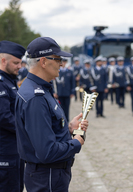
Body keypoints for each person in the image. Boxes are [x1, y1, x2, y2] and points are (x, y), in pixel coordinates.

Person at [15, 37, 88, 192]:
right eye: (57, 59)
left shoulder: (41, 89)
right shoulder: (36, 98)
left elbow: (44, 131)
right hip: (47, 176)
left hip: (51, 175)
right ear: (43, 62)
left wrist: (68, 128)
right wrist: (76, 142)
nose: (61, 63)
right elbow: (46, 152)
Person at [0, 41, 26, 192]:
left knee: (17, 187)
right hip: (4, 151)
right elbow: (2, 117)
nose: (19, 66)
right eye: (16, 63)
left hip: (14, 148)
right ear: (3, 61)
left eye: (20, 62)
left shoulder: (10, 81)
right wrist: (26, 128)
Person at [54, 57, 75, 121]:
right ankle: (61, 119)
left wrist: (72, 92)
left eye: (64, 62)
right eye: (61, 62)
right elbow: (54, 83)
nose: (63, 63)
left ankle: (67, 119)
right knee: (60, 107)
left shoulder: (70, 72)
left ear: (66, 63)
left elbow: (73, 83)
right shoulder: (57, 71)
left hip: (67, 93)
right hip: (59, 93)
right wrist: (54, 92)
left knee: (67, 107)